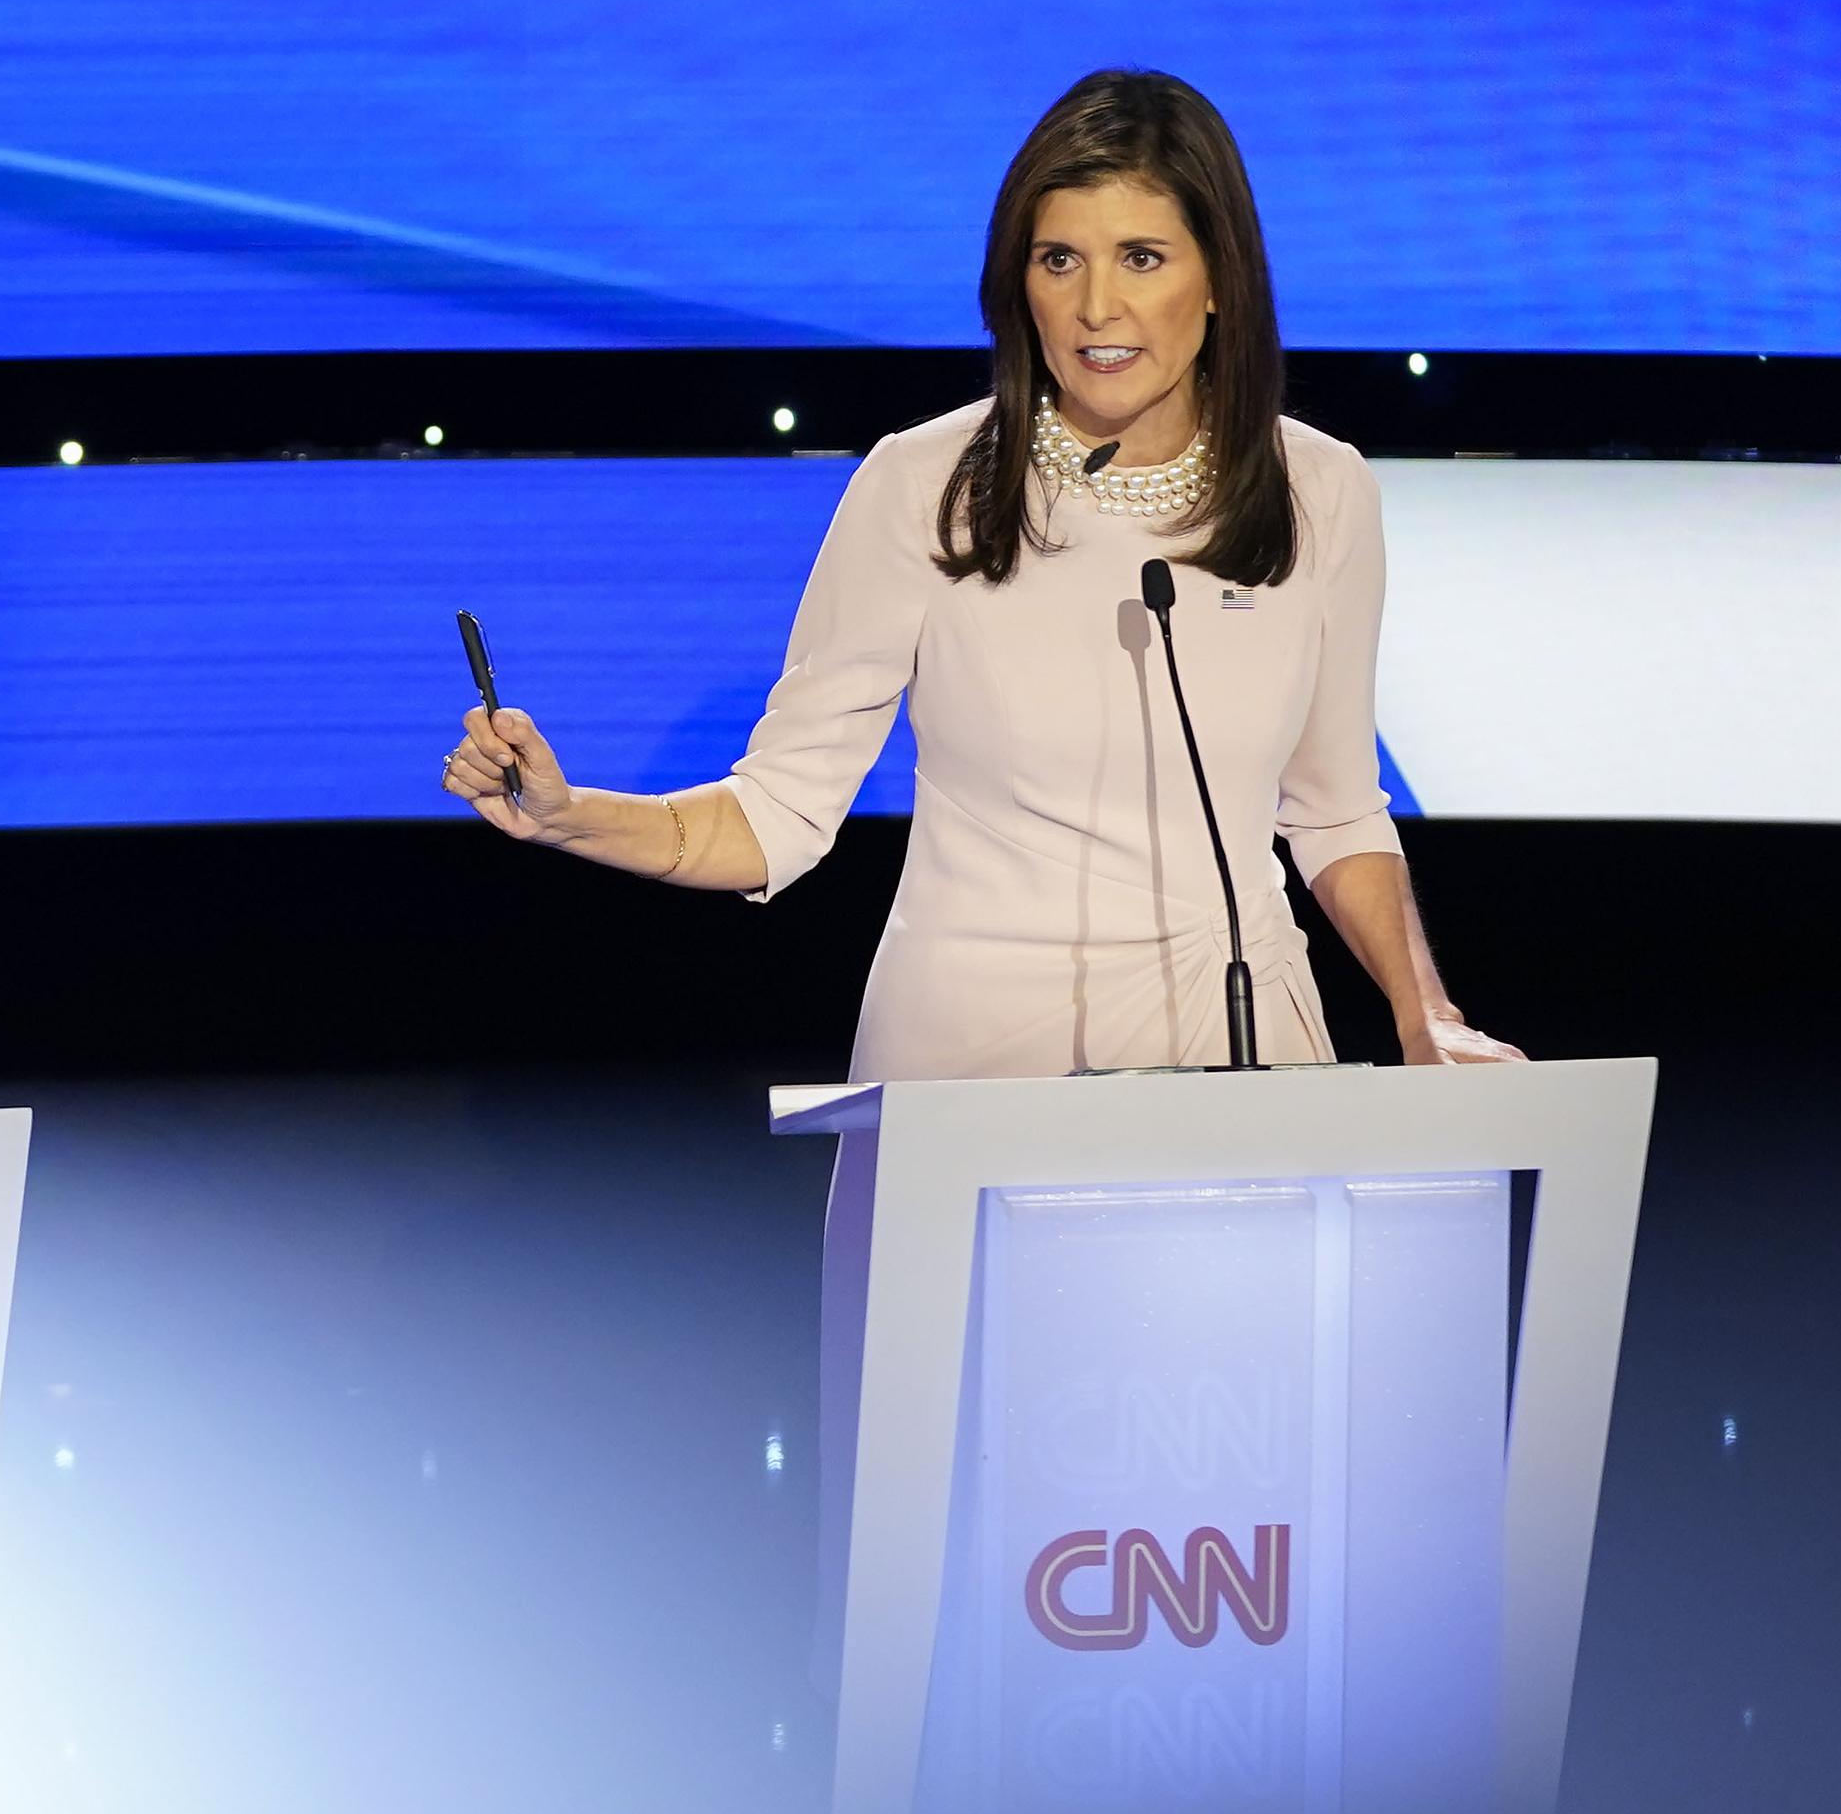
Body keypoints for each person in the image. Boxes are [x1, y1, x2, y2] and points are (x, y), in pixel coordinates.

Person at [444, 69, 1513, 1077]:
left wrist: (1428, 1014)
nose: (1098, 305)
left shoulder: (1320, 489)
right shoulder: (923, 482)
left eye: (1142, 256)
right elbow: (777, 815)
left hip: (1241, 1042)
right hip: (976, 1062)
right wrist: (567, 812)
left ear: (1221, 279)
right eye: (1059, 260)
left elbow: (1333, 813)